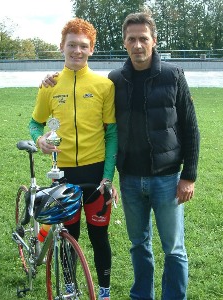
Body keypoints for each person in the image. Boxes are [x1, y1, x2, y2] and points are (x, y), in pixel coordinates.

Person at [41, 8, 200, 300]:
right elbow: (86, 95)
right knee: (139, 244)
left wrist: (188, 176)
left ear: (153, 40)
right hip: (129, 179)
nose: (137, 45)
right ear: (124, 43)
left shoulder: (173, 75)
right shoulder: (114, 80)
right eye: (131, 39)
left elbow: (190, 127)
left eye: (143, 38)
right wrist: (52, 78)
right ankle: (142, 295)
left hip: (167, 178)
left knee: (174, 249)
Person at [29, 17, 117, 300]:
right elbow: (35, 123)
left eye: (83, 46)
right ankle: (70, 287)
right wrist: (39, 139)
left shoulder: (104, 86)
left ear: (91, 49)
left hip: (96, 174)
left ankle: (103, 292)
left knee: (99, 237)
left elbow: (112, 134)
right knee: (68, 238)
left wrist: (108, 175)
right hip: (63, 172)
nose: (77, 51)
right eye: (72, 45)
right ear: (61, 47)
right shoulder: (49, 85)